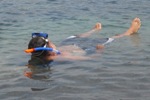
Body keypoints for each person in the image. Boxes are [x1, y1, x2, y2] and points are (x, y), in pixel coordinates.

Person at [25, 17, 141, 65]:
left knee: (74, 36)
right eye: (50, 41)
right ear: (49, 50)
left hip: (70, 44)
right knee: (110, 39)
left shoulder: (39, 55)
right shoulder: (61, 56)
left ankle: (93, 30)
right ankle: (128, 32)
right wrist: (99, 51)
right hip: (85, 48)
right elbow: (89, 59)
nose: (52, 41)